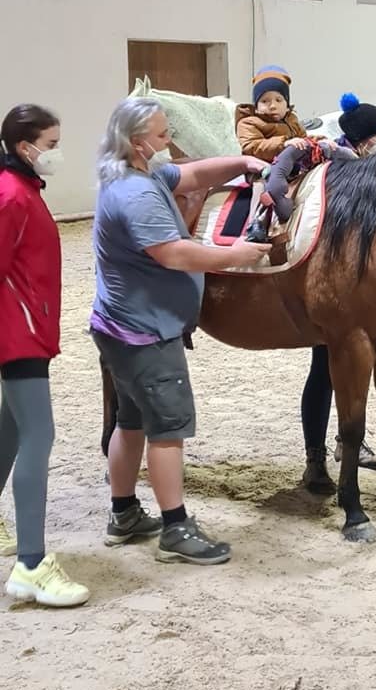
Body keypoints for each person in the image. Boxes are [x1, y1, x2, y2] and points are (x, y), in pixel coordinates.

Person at [91, 97, 270, 565]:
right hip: (145, 333)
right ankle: (176, 528)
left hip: (120, 327)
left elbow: (192, 176)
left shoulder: (136, 175)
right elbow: (175, 254)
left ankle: (124, 513)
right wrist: (238, 255)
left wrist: (241, 160)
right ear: (137, 143)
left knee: (131, 422)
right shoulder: (137, 194)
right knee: (167, 431)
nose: (169, 141)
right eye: (163, 134)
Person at [0, 105, 89, 607]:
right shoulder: (10, 195)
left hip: (27, 326)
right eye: (51, 145)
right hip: (16, 334)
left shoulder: (25, 189)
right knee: (39, 433)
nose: (56, 154)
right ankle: (31, 564)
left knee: (12, 427)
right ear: (24, 146)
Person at [301, 94, 376, 493]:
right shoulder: (338, 172)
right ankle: (315, 459)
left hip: (367, 292)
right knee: (324, 374)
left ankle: (346, 445)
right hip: (336, 292)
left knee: (351, 376)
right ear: (362, 141)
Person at [236, 67, 307, 161]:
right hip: (264, 170)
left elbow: (304, 139)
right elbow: (251, 147)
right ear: (256, 106)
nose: (273, 106)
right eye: (265, 101)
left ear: (287, 106)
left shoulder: (291, 120)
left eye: (278, 100)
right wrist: (284, 144)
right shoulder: (248, 123)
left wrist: (319, 142)